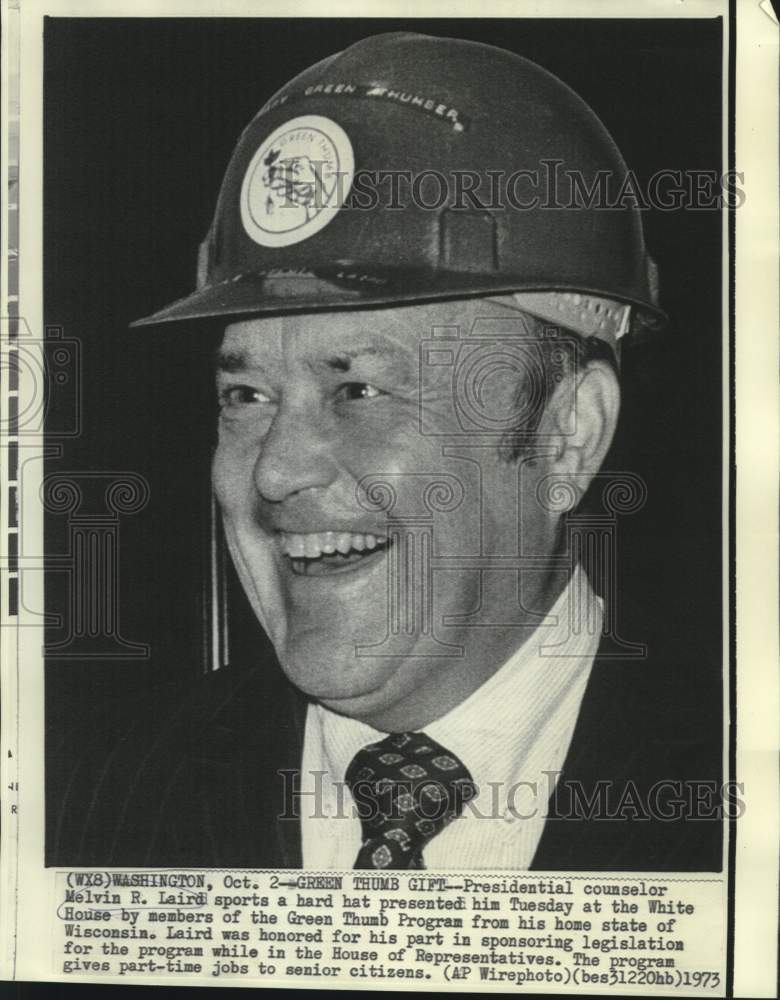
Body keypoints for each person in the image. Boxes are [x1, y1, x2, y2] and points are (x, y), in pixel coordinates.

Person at [51, 31, 722, 871]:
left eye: (359, 390)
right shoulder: (93, 796)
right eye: (246, 397)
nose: (276, 469)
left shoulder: (736, 801)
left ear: (565, 436)